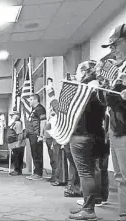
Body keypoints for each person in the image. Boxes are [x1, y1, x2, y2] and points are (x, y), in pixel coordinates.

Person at [68, 60, 106, 220]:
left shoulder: (86, 90)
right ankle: (88, 206)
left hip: (82, 135)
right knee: (89, 172)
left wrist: (52, 97)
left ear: (85, 72)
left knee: (85, 173)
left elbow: (73, 113)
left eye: (78, 71)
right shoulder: (99, 88)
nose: (76, 75)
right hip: (95, 134)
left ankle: (89, 210)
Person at [97, 24, 126, 221]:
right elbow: (107, 100)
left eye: (116, 44)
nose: (112, 49)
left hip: (123, 128)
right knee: (120, 177)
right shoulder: (116, 69)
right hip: (115, 127)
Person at [45, 100, 68, 186]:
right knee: (58, 160)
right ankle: (59, 178)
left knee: (59, 160)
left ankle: (60, 179)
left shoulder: (56, 118)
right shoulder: (56, 117)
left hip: (57, 139)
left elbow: (49, 128)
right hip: (57, 140)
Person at [26, 94, 47, 181]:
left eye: (30, 99)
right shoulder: (34, 110)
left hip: (36, 134)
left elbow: (43, 122)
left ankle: (38, 174)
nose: (29, 101)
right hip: (32, 134)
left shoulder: (40, 109)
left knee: (37, 154)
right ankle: (36, 172)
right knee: (34, 154)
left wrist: (41, 135)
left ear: (36, 100)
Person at [7, 111, 26, 176]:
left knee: (17, 157)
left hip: (17, 142)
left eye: (13, 115)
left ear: (17, 116)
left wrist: (18, 143)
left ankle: (17, 170)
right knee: (16, 157)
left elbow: (20, 134)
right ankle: (17, 170)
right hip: (13, 143)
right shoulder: (13, 123)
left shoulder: (18, 123)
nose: (11, 116)